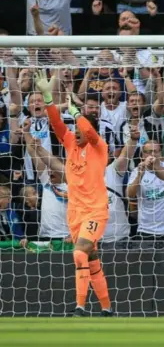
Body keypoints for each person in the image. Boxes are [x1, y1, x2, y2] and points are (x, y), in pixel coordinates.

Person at [35, 71, 112, 317]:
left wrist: (77, 111)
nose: (74, 132)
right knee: (91, 259)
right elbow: (57, 124)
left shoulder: (100, 148)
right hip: (75, 212)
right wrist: (48, 98)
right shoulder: (70, 144)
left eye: (78, 129)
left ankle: (80, 306)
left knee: (78, 252)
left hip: (96, 210)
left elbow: (86, 128)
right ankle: (107, 309)